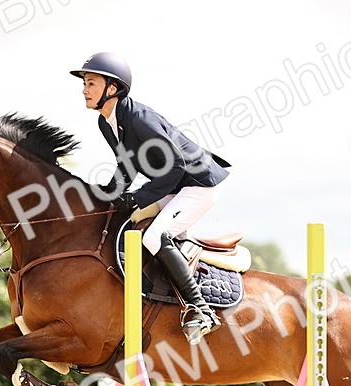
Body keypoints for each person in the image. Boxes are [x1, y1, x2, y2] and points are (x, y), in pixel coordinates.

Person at [70, 52, 231, 345]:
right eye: (85, 84)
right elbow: (128, 164)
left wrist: (138, 198)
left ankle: (202, 309)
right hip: (174, 187)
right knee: (125, 224)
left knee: (154, 236)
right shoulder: (107, 122)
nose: (84, 90)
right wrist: (107, 194)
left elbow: (176, 165)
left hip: (198, 185)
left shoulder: (140, 119)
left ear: (112, 88)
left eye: (91, 83)